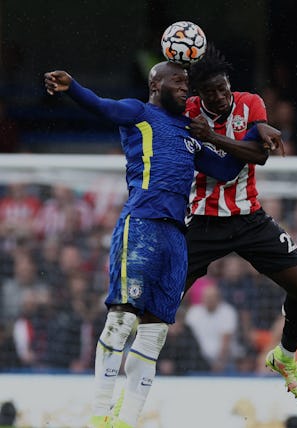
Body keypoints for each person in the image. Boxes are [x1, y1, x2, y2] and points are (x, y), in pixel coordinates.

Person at [44, 62, 280, 428]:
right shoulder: (139, 112)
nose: (188, 88)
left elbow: (227, 170)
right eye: (180, 81)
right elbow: (102, 106)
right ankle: (99, 416)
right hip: (141, 225)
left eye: (188, 82)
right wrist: (73, 87)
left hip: (176, 237)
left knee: (154, 335)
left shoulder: (189, 129)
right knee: (121, 320)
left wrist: (252, 128)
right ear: (156, 84)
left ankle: (126, 421)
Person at [184, 44, 297, 401]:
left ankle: (284, 356)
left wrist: (212, 136)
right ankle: (130, 381)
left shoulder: (250, 103)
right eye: (210, 92)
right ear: (198, 94)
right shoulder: (186, 110)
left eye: (223, 88)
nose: (220, 96)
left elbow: (259, 155)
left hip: (249, 218)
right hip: (202, 221)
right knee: (163, 300)